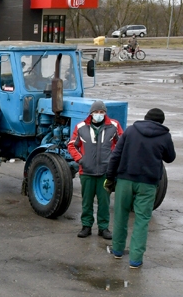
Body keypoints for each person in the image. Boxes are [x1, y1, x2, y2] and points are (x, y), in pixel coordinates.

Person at [105, 108, 175, 268]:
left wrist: (110, 177)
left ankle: (117, 251)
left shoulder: (130, 131)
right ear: (161, 122)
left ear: (145, 118)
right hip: (148, 184)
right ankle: (135, 260)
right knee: (142, 220)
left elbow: (116, 154)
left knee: (120, 215)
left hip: (125, 180)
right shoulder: (164, 136)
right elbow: (170, 158)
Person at [67, 100, 123, 239]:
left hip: (105, 172)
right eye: (96, 112)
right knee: (87, 201)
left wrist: (113, 160)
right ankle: (86, 226)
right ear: (91, 113)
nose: (99, 114)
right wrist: (81, 160)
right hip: (86, 172)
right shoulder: (81, 127)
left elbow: (122, 143)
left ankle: (103, 228)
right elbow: (72, 145)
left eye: (102, 112)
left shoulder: (114, 126)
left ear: (105, 113)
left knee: (104, 202)